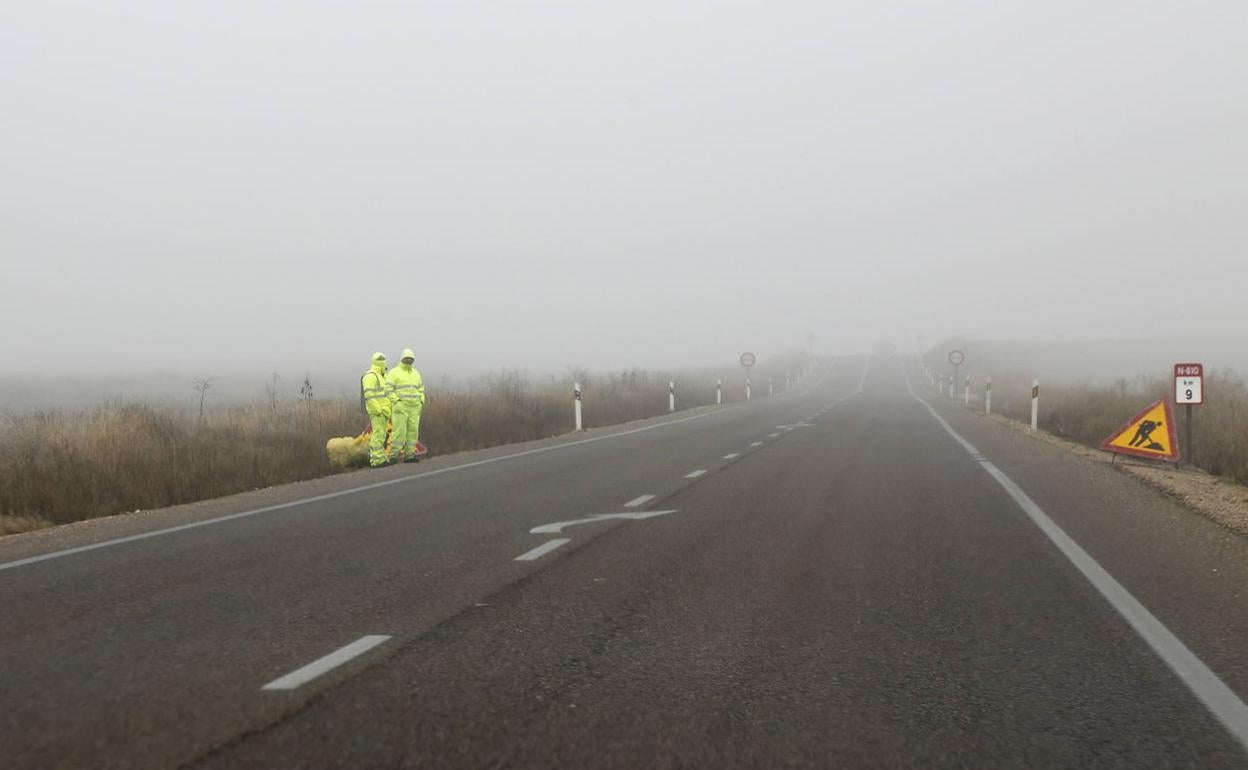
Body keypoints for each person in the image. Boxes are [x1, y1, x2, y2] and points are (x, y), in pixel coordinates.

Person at [387, 348, 427, 462]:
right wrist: (397, 402)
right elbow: (388, 389)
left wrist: (421, 401)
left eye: (410, 359)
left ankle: (409, 455)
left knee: (413, 432)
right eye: (406, 359)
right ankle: (393, 456)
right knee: (399, 432)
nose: (408, 361)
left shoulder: (416, 373)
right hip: (401, 408)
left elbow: (421, 389)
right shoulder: (394, 372)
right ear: (402, 359)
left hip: (414, 408)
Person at [361, 352, 392, 467]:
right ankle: (376, 460)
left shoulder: (382, 376)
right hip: (378, 412)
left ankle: (380, 458)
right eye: (381, 360)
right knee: (378, 435)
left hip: (384, 411)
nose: (383, 362)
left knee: (381, 435)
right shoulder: (371, 376)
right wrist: (377, 410)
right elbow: (369, 395)